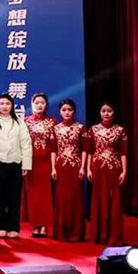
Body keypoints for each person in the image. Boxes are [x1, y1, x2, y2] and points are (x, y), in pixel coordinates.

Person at [0, 93, 33, 239]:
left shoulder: (20, 123)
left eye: (7, 104)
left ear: (12, 106)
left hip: (15, 164)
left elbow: (26, 144)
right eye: (2, 103)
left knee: (14, 197)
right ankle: (2, 227)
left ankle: (14, 227)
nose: (4, 106)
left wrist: (26, 165)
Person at [86, 103, 127, 245]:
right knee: (99, 199)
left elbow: (123, 153)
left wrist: (124, 170)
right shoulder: (93, 130)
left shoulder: (120, 130)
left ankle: (113, 236)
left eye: (109, 111)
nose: (106, 113)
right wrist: (88, 169)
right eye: (103, 111)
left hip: (114, 168)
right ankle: (100, 235)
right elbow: (90, 151)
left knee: (114, 201)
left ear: (114, 113)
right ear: (100, 113)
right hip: (97, 168)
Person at [23, 93, 57, 238]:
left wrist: (53, 166)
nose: (39, 105)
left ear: (46, 105)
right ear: (32, 104)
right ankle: (35, 225)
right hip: (30, 162)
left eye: (42, 102)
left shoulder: (52, 122)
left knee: (45, 195)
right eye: (36, 102)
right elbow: (23, 143)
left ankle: (44, 226)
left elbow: (54, 146)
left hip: (45, 161)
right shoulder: (26, 121)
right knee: (33, 195)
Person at [52, 99, 87, 242]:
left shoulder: (81, 128)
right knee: (62, 199)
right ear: (60, 112)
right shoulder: (56, 128)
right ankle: (61, 232)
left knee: (76, 199)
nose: (67, 112)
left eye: (70, 110)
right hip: (60, 166)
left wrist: (83, 167)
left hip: (75, 167)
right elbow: (53, 150)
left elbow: (84, 150)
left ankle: (76, 233)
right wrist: (53, 168)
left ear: (74, 111)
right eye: (64, 110)